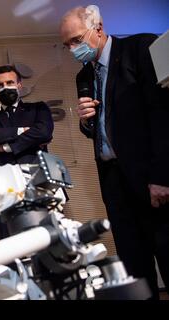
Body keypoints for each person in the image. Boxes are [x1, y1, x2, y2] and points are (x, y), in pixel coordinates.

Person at [60, 5, 169, 299]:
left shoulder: (140, 48)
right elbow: (99, 131)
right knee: (134, 266)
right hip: (114, 182)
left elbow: (162, 115)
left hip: (152, 181)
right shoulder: (84, 77)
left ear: (98, 27)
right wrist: (85, 123)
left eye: (76, 40)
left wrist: (162, 175)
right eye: (67, 44)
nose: (72, 49)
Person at [0, 65, 54, 240]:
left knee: (48, 242)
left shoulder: (38, 109)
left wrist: (5, 146)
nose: (6, 87)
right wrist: (22, 131)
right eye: (0, 85)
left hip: (38, 183)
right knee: (10, 245)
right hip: (4, 189)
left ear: (19, 85)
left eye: (10, 82)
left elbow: (44, 133)